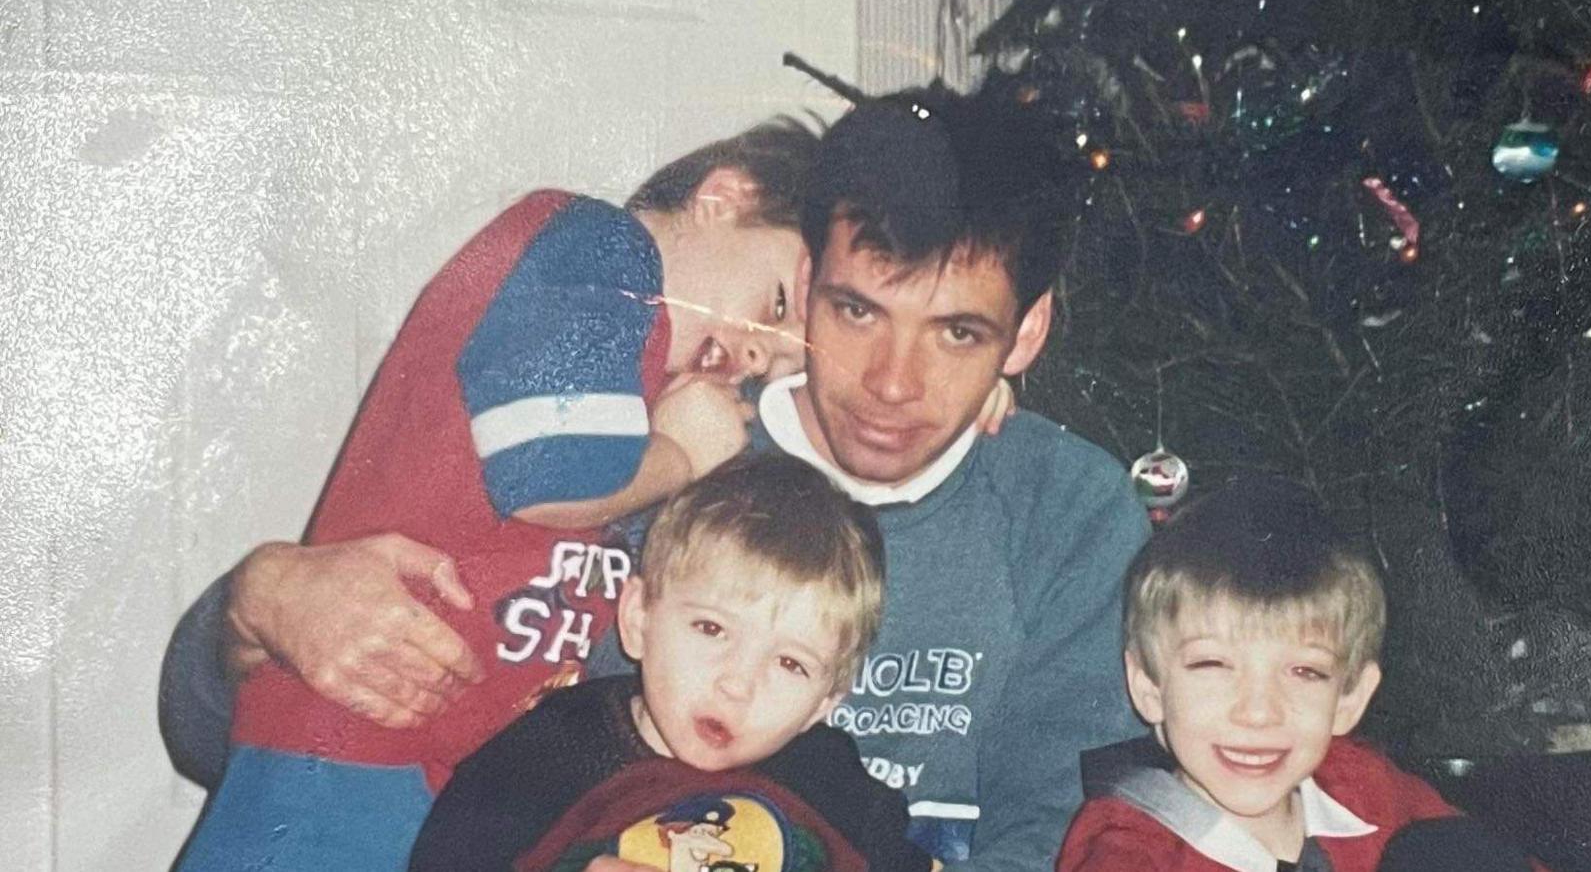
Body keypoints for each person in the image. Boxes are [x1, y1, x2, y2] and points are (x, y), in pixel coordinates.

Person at [163, 80, 1150, 872]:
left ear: (1026, 334)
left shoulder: (1063, 508)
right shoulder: (657, 455)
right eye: (856, 312)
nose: (894, 384)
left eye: (957, 334)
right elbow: (243, 731)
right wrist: (251, 608)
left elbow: (1069, 823)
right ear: (803, 287)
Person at [175, 121, 822, 871]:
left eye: (773, 363)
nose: (753, 354)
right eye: (775, 307)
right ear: (723, 198)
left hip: (442, 777)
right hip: (348, 734)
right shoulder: (601, 252)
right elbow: (550, 474)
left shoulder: (651, 386)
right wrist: (678, 454)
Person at [410, 453, 934, 872]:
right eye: (711, 629)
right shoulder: (548, 755)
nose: (738, 683)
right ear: (638, 618)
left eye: (791, 664)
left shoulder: (831, 783)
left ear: (825, 701)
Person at [1055, 476, 1540, 872]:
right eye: (1214, 665)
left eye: (1304, 671)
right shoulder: (1129, 853)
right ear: (1149, 687)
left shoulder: (1362, 788)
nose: (1259, 712)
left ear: (1349, 698)